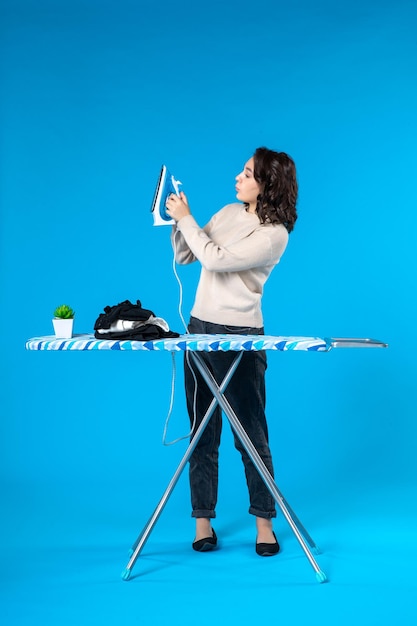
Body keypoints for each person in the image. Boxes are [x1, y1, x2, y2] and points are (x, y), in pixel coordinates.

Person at [165, 146, 298, 556]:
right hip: (199, 329)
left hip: (241, 337)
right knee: (201, 432)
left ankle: (264, 524)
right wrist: (176, 220)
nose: (238, 177)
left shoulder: (274, 235)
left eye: (247, 173)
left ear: (267, 184)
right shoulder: (225, 212)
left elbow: (216, 259)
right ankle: (202, 522)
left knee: (250, 435)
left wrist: (189, 221)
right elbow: (188, 254)